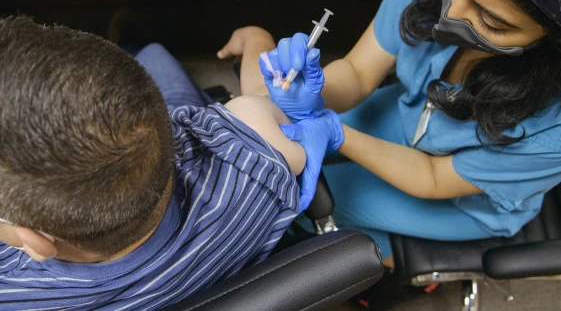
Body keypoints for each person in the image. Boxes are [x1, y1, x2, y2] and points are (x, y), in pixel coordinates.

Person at [219, 0, 561, 276]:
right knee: (282, 138)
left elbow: (433, 177)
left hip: (460, 198)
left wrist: (336, 132)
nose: (452, 11)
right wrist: (312, 95)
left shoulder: (560, 126)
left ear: (553, 37)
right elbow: (357, 72)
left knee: (296, 202)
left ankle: (388, 262)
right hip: (406, 114)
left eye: (491, 21)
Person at [0, 16, 343, 310]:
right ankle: (133, 45)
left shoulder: (15, 293)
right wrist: (257, 37)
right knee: (155, 54)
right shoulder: (250, 158)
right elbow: (273, 105)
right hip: (216, 232)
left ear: (37, 241)